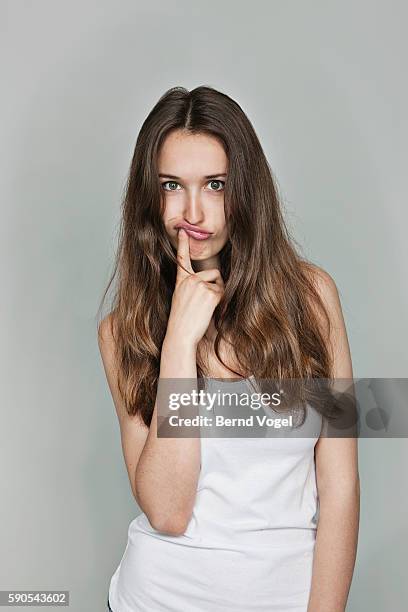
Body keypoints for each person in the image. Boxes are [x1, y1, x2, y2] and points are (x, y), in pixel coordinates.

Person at [97, 85, 360, 611]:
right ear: (150, 197)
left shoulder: (311, 300)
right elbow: (168, 512)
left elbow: (340, 487)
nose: (193, 210)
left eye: (214, 184)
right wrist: (177, 341)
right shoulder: (123, 331)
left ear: (246, 190)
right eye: (173, 185)